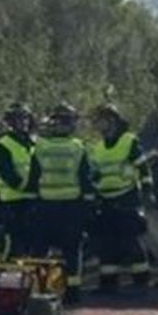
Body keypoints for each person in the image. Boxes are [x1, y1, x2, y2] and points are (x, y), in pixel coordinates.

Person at [29, 103, 94, 304]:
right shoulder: (78, 147)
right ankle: (73, 293)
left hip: (45, 206)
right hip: (71, 207)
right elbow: (86, 179)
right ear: (72, 124)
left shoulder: (40, 147)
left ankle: (38, 290)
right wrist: (89, 207)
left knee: (40, 250)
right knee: (72, 251)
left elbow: (33, 178)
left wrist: (31, 206)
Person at [88, 104, 151, 292]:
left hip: (127, 197)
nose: (99, 125)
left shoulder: (128, 141)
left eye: (102, 121)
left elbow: (143, 167)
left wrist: (147, 190)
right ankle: (108, 283)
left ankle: (141, 281)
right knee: (106, 244)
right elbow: (95, 173)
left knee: (130, 241)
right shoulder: (98, 148)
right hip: (105, 200)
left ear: (113, 121)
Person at [0, 103, 37, 259]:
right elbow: (8, 175)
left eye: (25, 117)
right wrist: (28, 187)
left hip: (32, 201)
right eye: (19, 118)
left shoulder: (33, 144)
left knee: (33, 243)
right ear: (10, 121)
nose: (24, 122)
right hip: (13, 202)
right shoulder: (3, 144)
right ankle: (8, 276)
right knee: (14, 244)